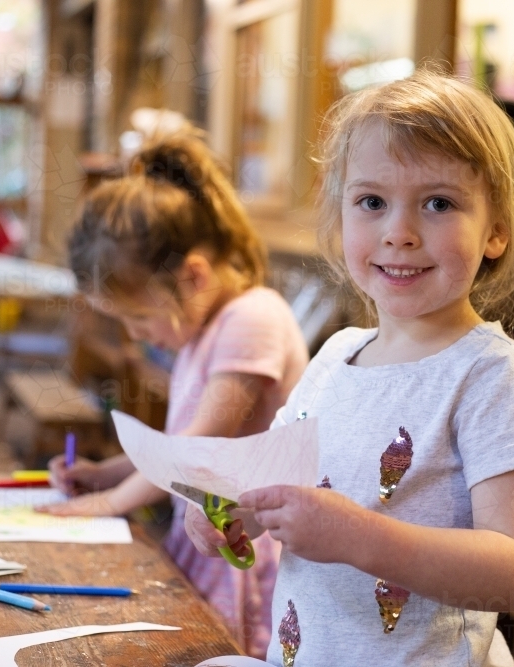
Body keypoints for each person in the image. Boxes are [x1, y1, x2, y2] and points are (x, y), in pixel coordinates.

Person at [185, 71, 514, 666]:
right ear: (340, 217)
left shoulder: (492, 375)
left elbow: (512, 573)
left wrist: (358, 538)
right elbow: (272, 481)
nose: (399, 233)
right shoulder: (334, 355)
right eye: (372, 202)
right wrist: (232, 509)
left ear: (496, 232)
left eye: (438, 203)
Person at [39, 127, 309, 659]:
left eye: (138, 317)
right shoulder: (203, 326)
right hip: (203, 538)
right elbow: (175, 442)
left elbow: (195, 451)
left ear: (192, 276)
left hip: (240, 551)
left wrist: (111, 503)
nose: (138, 335)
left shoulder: (253, 319)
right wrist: (106, 471)